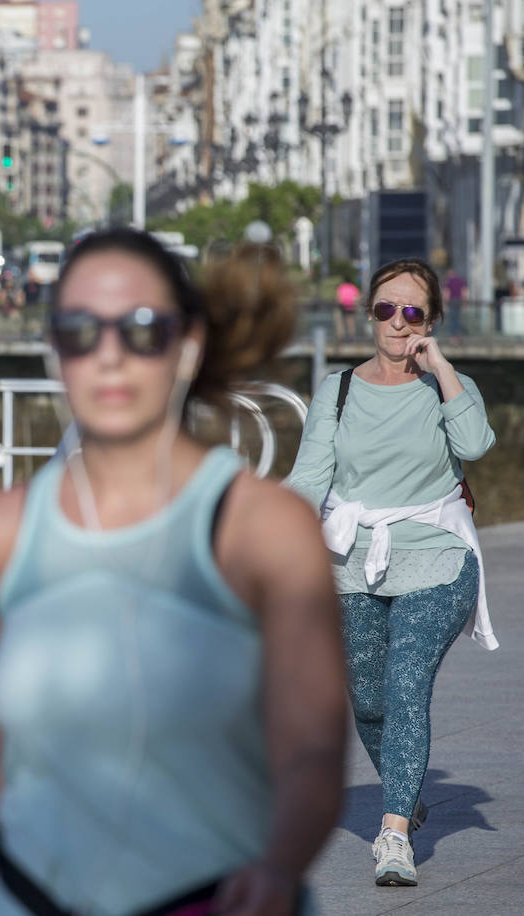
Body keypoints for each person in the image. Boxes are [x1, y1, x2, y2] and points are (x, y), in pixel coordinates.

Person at [0, 229, 347, 915]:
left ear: (187, 344)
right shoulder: (0, 533)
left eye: (141, 330)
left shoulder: (263, 529)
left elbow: (313, 752)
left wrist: (279, 868)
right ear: (55, 350)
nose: (109, 357)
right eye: (80, 331)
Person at [286, 257, 496, 887]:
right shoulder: (339, 390)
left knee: (406, 682)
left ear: (431, 321)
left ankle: (395, 833)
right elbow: (308, 479)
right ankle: (407, 791)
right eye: (386, 309)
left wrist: (441, 369)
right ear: (368, 314)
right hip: (353, 564)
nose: (397, 324)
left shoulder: (446, 386)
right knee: (370, 702)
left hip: (437, 557)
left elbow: (477, 445)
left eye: (412, 312)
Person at [443, 268, 466, 338]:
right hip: (459, 301)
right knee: (458, 318)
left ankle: (454, 336)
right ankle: (458, 334)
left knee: (453, 319)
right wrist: (464, 302)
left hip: (452, 302)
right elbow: (464, 291)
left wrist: (445, 304)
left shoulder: (448, 281)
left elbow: (447, 293)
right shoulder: (460, 280)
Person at [336, 276, 360, 341]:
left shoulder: (341, 287)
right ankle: (351, 336)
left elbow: (339, 298)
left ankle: (341, 337)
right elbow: (357, 298)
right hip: (351, 306)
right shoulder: (353, 287)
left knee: (341, 322)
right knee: (351, 322)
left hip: (342, 306)